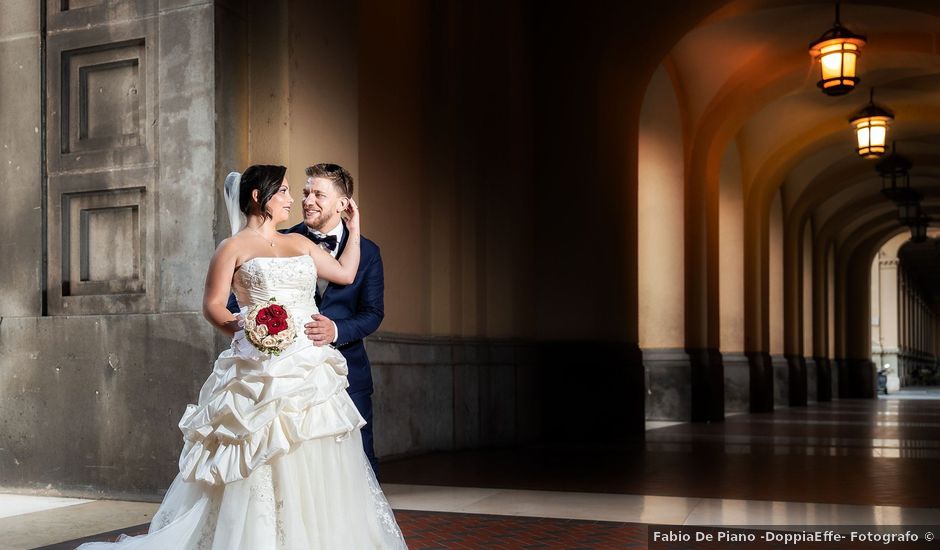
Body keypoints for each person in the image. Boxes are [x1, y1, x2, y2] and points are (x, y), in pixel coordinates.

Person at [78, 165, 407, 549]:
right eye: (286, 191)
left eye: (303, 193)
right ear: (258, 196)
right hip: (259, 370)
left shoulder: (300, 245)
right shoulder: (233, 247)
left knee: (319, 459)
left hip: (307, 371)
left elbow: (348, 274)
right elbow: (215, 306)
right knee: (260, 457)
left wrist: (356, 226)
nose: (295, 200)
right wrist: (249, 329)